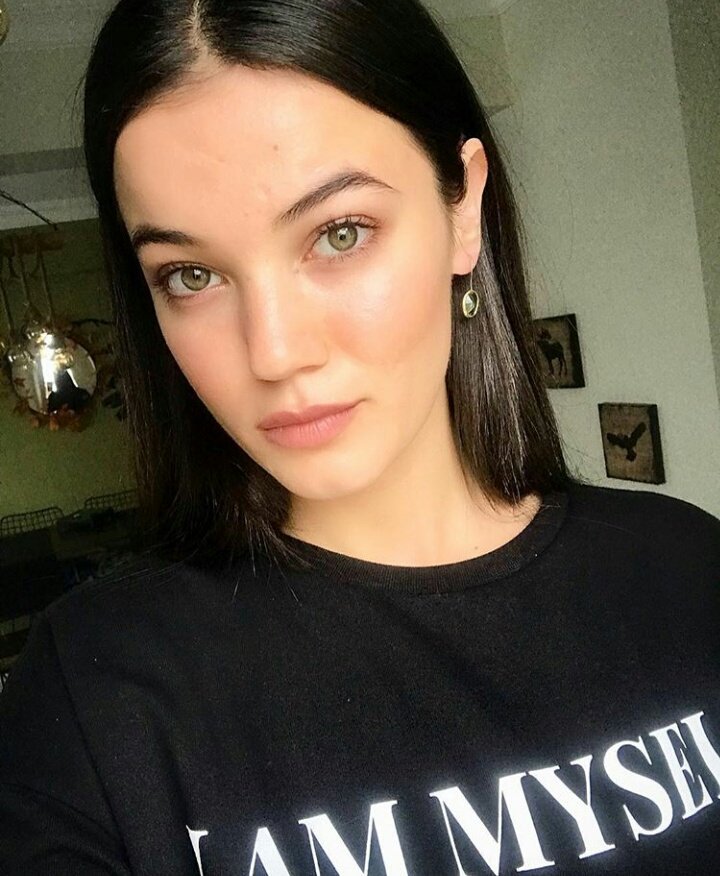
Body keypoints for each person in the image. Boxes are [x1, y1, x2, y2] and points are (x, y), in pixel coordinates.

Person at [1, 0, 718, 873]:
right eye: (190, 275)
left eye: (340, 233)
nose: (275, 352)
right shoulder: (96, 694)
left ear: (464, 208)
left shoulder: (686, 569)